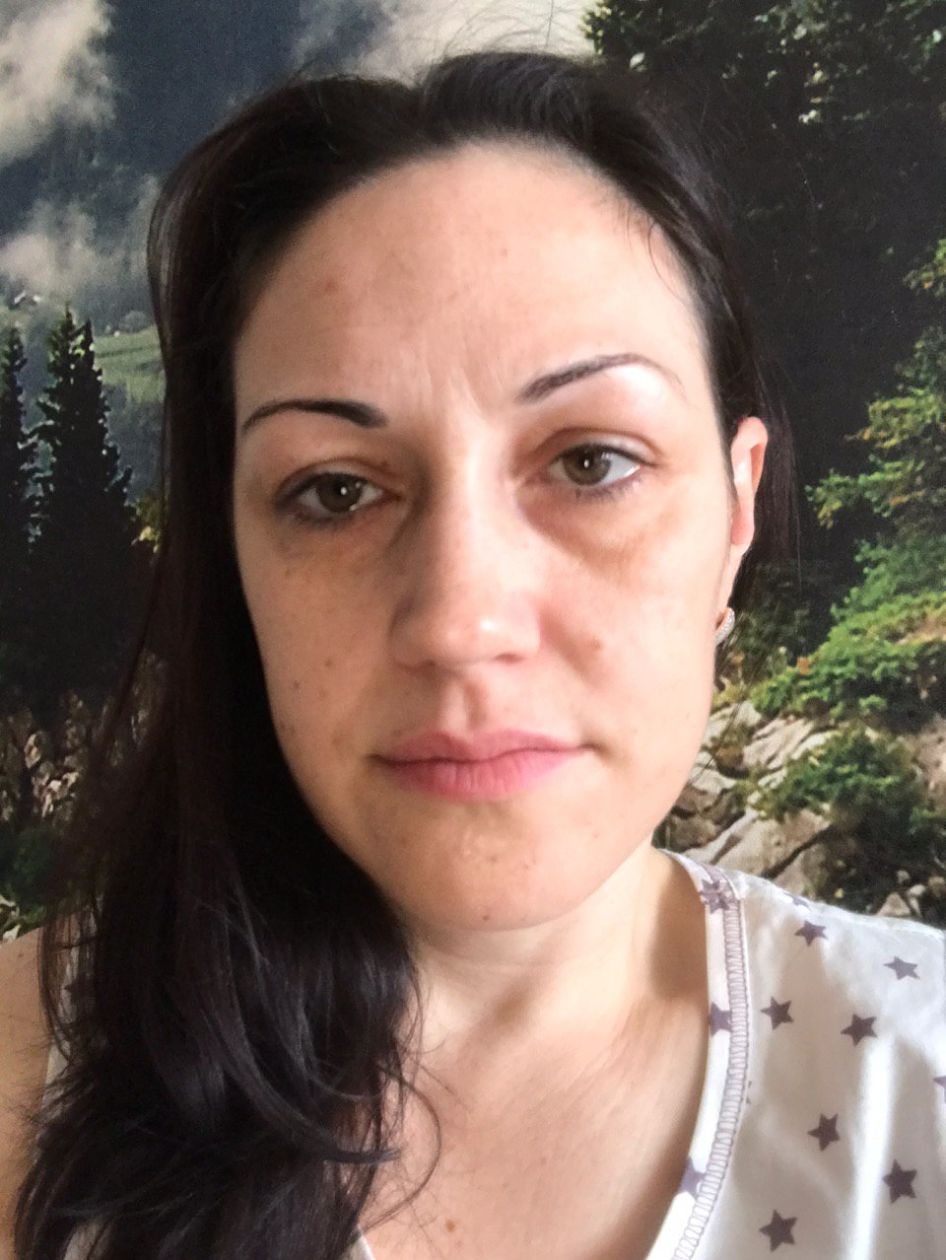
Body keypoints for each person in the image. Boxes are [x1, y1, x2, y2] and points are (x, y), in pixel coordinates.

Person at [0, 45, 943, 1260]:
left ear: (734, 514)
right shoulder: (23, 1087)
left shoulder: (917, 1073)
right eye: (335, 491)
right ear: (232, 559)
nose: (459, 622)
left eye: (591, 462)